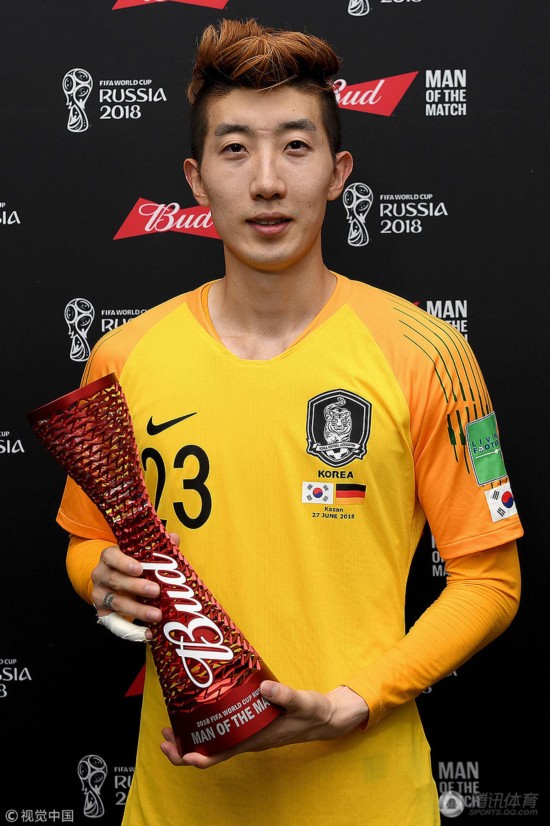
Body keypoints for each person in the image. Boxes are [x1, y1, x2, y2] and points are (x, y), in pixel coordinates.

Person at [57, 18, 523, 825]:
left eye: (296, 147)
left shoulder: (429, 352)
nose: (267, 181)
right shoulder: (121, 359)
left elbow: (490, 581)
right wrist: (98, 575)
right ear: (197, 179)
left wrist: (353, 701)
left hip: (368, 800)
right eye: (235, 149)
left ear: (338, 173)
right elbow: (86, 544)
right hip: (178, 805)